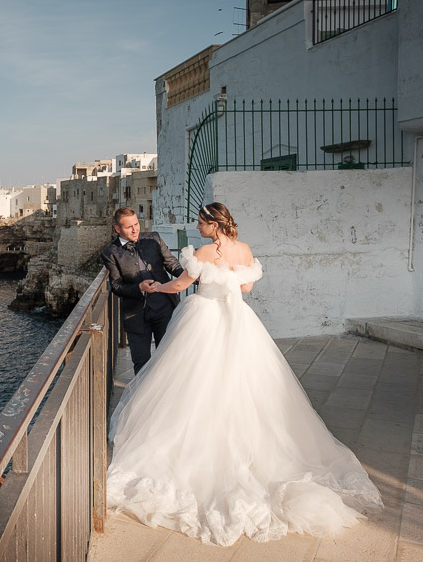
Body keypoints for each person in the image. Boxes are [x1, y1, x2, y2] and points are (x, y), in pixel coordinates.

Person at [106, 202, 382, 546]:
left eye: (201, 221)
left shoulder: (204, 251)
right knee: (245, 384)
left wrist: (155, 288)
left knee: (194, 383)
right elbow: (247, 288)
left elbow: (179, 286)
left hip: (204, 318)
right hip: (239, 320)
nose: (197, 224)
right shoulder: (245, 249)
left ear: (212, 224)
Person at [101, 207, 184, 374]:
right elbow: (116, 286)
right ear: (118, 229)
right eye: (129, 227)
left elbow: (172, 264)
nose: (135, 229)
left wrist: (191, 277)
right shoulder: (110, 253)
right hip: (136, 314)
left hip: (164, 308)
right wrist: (139, 287)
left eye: (136, 224)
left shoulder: (154, 238)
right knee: (141, 364)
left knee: (169, 357)